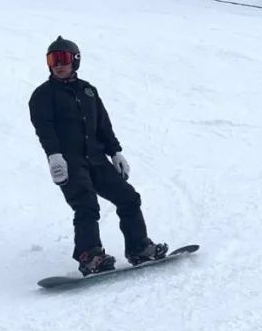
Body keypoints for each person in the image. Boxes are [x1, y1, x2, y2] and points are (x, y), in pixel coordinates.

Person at [29, 36, 168, 275]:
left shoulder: (88, 91)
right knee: (86, 205)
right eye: (53, 60)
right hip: (69, 162)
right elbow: (45, 129)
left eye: (63, 58)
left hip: (96, 158)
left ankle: (139, 248)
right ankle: (90, 256)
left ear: (75, 61)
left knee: (129, 198)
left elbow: (103, 125)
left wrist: (115, 152)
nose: (58, 64)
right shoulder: (43, 95)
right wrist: (54, 156)